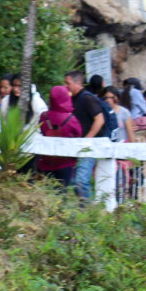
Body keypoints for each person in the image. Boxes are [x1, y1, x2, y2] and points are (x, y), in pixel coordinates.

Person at [64, 70, 107, 201]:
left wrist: (87, 139)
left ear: (78, 83)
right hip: (77, 146)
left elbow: (100, 120)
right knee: (73, 181)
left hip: (89, 146)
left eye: (68, 83)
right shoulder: (72, 98)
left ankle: (88, 212)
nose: (65, 86)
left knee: (81, 180)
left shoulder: (87, 98)